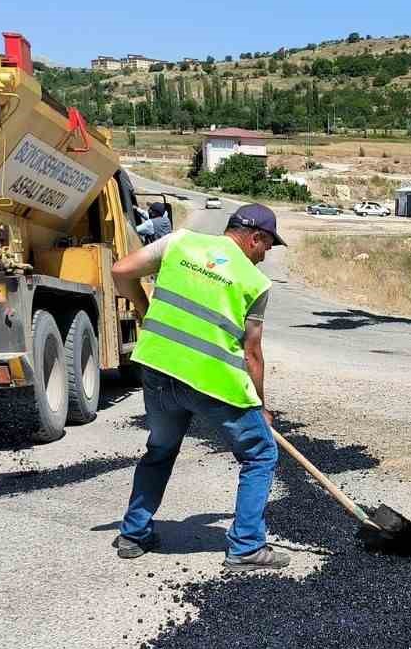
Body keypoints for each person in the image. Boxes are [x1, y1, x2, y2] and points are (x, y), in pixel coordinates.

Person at [109, 203, 289, 568]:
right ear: (254, 237)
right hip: (211, 380)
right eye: (267, 245)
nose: (266, 254)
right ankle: (247, 546)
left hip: (159, 370)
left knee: (160, 450)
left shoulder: (179, 243)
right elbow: (252, 353)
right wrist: (261, 406)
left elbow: (120, 270)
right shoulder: (254, 282)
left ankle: (133, 533)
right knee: (261, 454)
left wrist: (145, 309)